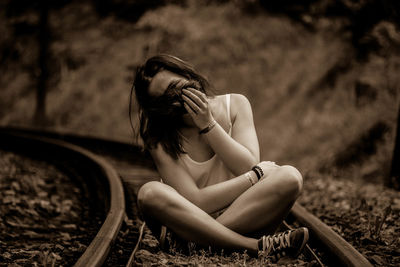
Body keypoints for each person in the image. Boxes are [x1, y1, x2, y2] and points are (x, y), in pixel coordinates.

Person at [131, 54, 308, 262]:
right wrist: (256, 176)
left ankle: (196, 245)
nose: (175, 101)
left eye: (176, 88)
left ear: (188, 76)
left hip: (241, 220)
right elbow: (197, 201)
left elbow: (245, 165)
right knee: (150, 193)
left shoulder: (236, 104)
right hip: (190, 219)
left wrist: (208, 125)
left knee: (291, 177)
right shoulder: (159, 137)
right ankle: (253, 247)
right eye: (164, 101)